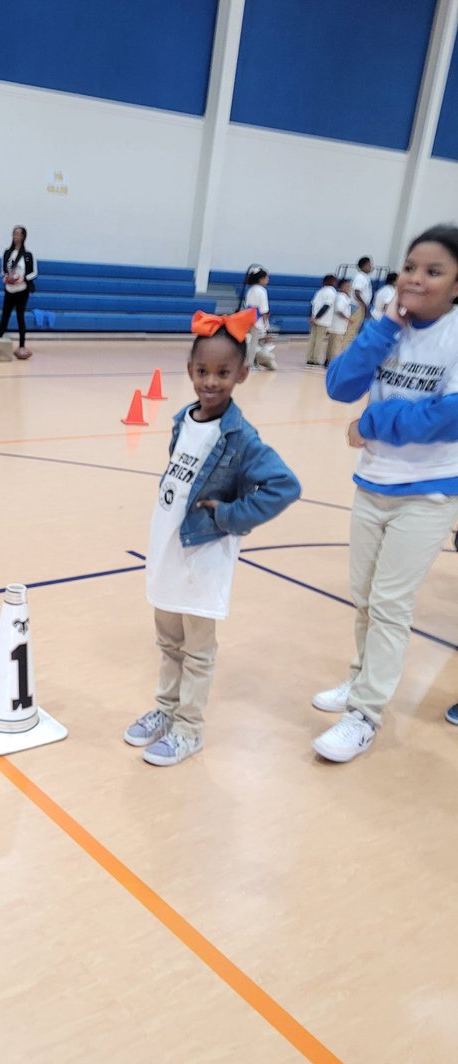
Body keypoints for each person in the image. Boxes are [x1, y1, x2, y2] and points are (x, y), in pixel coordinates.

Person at [123, 309, 301, 766]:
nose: (211, 382)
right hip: (167, 548)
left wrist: (229, 516)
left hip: (203, 557)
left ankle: (190, 728)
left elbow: (285, 486)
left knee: (198, 651)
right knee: (168, 643)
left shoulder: (242, 438)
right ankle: (165, 710)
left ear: (242, 373)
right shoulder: (185, 418)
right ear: (190, 371)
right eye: (203, 371)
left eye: (223, 373)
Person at [313, 223, 458, 762]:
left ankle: (366, 714)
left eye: (434, 271)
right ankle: (359, 680)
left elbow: (449, 416)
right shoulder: (387, 325)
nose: (416, 279)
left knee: (392, 605)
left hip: (430, 492)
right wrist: (382, 329)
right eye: (411, 268)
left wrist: (374, 420)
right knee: (366, 596)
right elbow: (339, 385)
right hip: (373, 482)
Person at [0, 225, 36, 360]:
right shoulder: (7, 252)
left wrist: (23, 279)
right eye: (14, 233)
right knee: (5, 316)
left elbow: (34, 272)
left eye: (18, 234)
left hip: (22, 290)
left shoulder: (28, 255)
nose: (15, 236)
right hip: (9, 289)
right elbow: (2, 270)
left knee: (20, 317)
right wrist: (5, 278)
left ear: (23, 236)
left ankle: (22, 345)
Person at [243, 268, 276, 370]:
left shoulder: (251, 290)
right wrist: (266, 325)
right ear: (261, 279)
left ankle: (251, 362)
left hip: (248, 318)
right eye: (266, 278)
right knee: (254, 343)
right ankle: (250, 363)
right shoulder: (262, 291)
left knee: (250, 342)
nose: (267, 280)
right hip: (257, 320)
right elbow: (264, 310)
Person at [306, 274, 338, 366]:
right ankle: (315, 359)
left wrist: (312, 317)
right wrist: (317, 317)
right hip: (323, 319)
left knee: (313, 339)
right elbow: (326, 306)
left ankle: (310, 357)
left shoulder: (320, 291)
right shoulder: (332, 292)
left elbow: (312, 304)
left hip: (314, 318)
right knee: (319, 340)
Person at [343, 255, 373, 349]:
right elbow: (357, 292)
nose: (371, 267)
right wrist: (364, 304)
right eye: (369, 265)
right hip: (357, 306)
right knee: (351, 330)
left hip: (359, 306)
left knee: (354, 329)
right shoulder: (360, 277)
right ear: (363, 266)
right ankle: (345, 351)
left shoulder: (364, 277)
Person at [326, 278, 353, 361]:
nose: (350, 288)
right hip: (338, 326)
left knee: (332, 344)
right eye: (348, 286)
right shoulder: (341, 297)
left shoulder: (344, 297)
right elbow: (339, 310)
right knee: (335, 345)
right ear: (343, 286)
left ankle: (329, 360)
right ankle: (333, 361)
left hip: (339, 325)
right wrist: (348, 318)